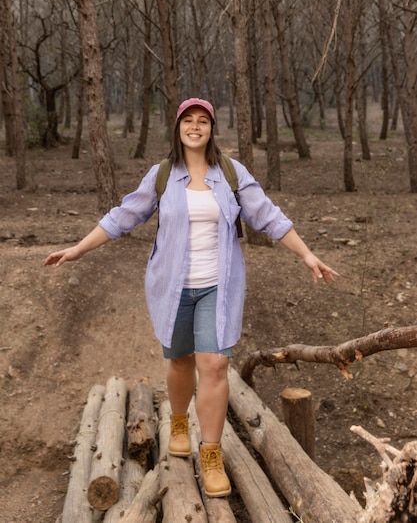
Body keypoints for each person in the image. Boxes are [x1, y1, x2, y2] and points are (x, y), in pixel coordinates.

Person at [44, 97, 339, 498]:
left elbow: (268, 216)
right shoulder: (163, 175)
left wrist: (306, 254)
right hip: (172, 286)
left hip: (219, 286)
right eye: (189, 120)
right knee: (180, 360)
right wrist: (78, 248)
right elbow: (123, 216)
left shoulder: (232, 174)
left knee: (215, 365)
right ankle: (179, 421)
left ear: (212, 128)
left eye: (203, 121)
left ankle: (211, 453)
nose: (196, 127)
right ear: (179, 128)